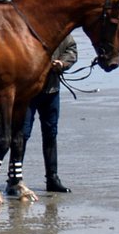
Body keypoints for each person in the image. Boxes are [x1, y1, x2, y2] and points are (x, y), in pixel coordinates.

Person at [20, 34, 77, 193]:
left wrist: (62, 63)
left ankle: (52, 178)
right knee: (22, 135)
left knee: (51, 133)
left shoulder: (61, 31)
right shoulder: (28, 31)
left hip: (52, 90)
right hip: (28, 92)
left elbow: (71, 49)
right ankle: (15, 179)